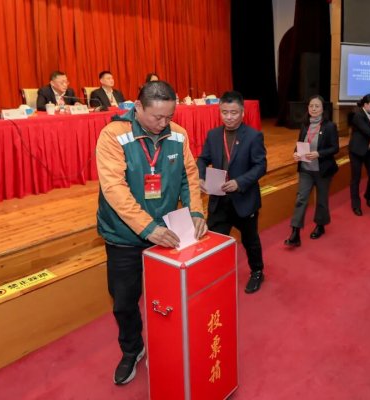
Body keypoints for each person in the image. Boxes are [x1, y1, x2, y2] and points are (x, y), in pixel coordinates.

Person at [95, 81, 207, 385]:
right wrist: (148, 228)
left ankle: (173, 343)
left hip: (168, 232)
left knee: (170, 297)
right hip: (124, 236)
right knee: (124, 301)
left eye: (169, 116)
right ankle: (132, 349)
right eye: (157, 117)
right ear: (138, 107)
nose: (163, 123)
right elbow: (114, 189)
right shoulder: (113, 135)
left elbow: (188, 176)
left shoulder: (177, 134)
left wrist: (196, 212)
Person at [196, 91, 267, 293]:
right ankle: (217, 276)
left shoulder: (253, 136)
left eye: (233, 112)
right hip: (219, 199)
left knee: (250, 240)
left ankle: (257, 271)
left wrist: (239, 182)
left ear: (242, 113)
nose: (228, 117)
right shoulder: (213, 135)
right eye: (224, 112)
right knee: (215, 242)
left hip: (244, 199)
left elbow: (261, 166)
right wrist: (201, 176)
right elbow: (202, 159)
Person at [284, 95, 339, 247]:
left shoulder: (329, 126)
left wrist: (318, 154)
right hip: (306, 169)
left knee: (321, 200)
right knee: (301, 199)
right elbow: (299, 144)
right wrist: (296, 153)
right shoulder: (305, 125)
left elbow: (335, 148)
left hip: (322, 170)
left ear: (323, 109)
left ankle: (320, 225)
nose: (313, 109)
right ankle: (295, 233)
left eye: (317, 106)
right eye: (311, 106)